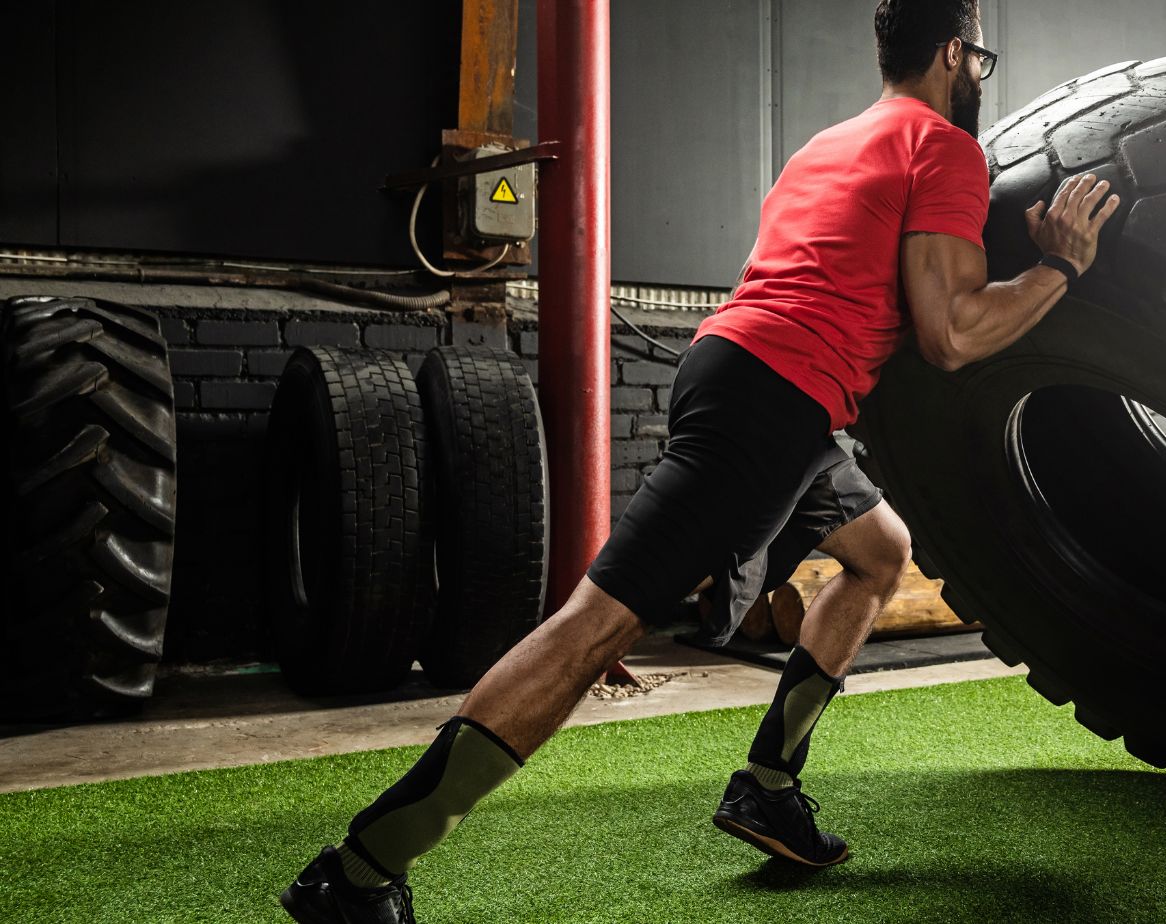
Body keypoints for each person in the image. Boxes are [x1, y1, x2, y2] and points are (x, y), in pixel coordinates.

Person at [277, 1, 1119, 920]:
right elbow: (952, 333)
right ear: (956, 52)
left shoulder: (829, 143)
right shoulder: (942, 148)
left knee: (879, 555)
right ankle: (361, 869)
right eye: (978, 61)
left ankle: (767, 782)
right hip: (772, 398)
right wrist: (1060, 268)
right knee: (590, 630)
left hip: (751, 381)